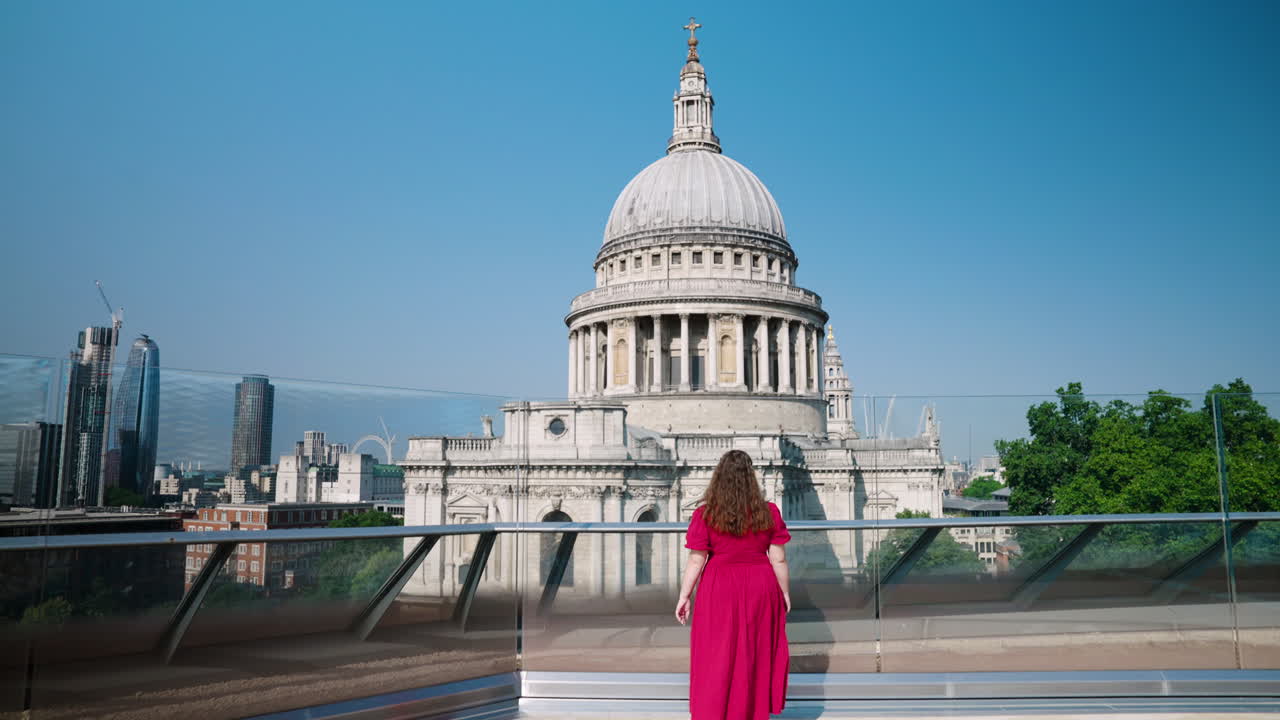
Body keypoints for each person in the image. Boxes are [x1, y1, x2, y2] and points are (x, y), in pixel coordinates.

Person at [675, 449, 791, 720]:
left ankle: (715, 712)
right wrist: (784, 591)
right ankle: (751, 711)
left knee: (717, 652)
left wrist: (684, 596)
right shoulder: (769, 512)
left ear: (718, 478)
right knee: (755, 650)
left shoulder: (705, 514)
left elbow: (696, 559)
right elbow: (779, 558)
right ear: (752, 478)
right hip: (761, 585)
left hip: (719, 586)